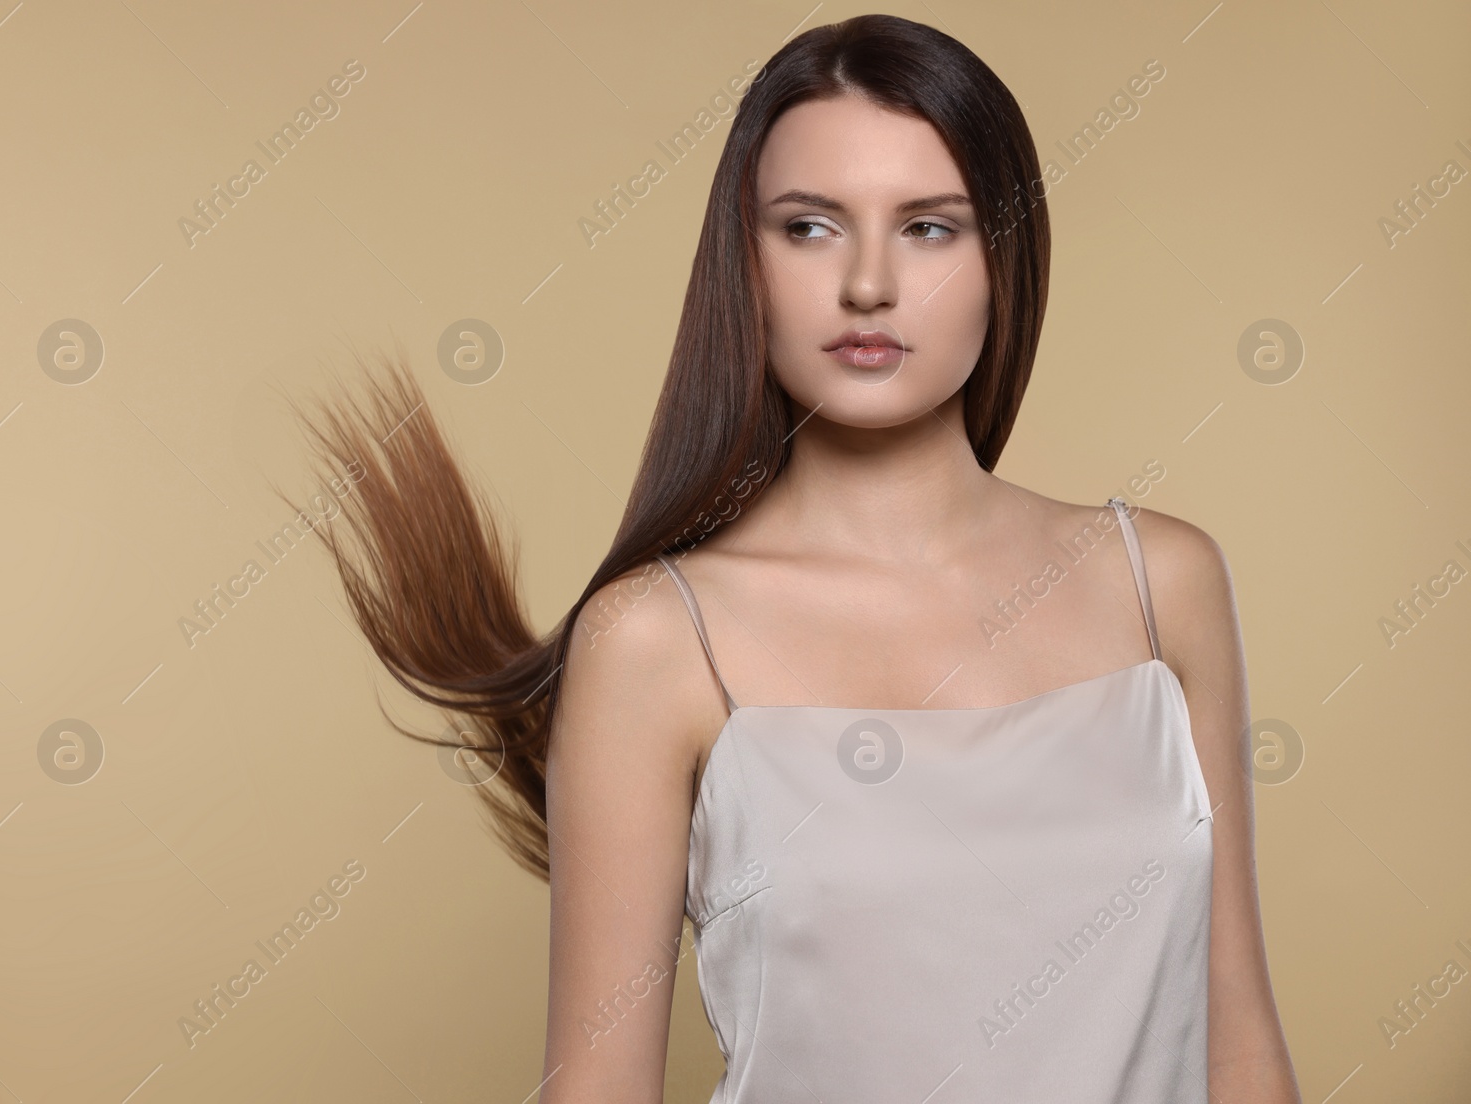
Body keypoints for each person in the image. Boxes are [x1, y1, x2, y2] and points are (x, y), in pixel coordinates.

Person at [299, 13, 1300, 1103]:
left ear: (1004, 257)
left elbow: (1240, 1048)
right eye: (810, 227)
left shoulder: (1161, 585)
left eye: (928, 228)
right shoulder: (655, 640)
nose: (867, 284)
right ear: (747, 259)